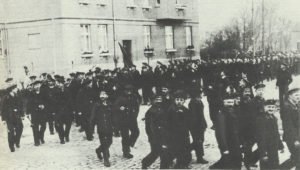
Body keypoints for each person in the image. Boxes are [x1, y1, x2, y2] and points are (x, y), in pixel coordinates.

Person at [142, 94, 170, 169]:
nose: (158, 101)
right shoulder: (150, 112)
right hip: (155, 136)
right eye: (156, 99)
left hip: (163, 134)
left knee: (164, 153)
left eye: (160, 99)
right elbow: (149, 127)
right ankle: (145, 163)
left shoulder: (163, 108)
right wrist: (152, 137)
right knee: (155, 152)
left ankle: (163, 168)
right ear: (152, 101)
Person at [113, 84, 141, 158]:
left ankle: (129, 144)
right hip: (123, 120)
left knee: (136, 132)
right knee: (125, 136)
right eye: (127, 91)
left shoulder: (134, 97)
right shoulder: (120, 98)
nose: (129, 92)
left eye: (130, 90)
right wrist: (120, 108)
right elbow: (115, 106)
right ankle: (126, 152)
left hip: (132, 119)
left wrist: (135, 115)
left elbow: (137, 107)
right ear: (124, 91)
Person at [167, 90, 192, 168]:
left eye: (181, 100)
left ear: (184, 101)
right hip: (175, 134)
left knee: (185, 149)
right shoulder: (171, 109)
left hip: (184, 133)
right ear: (174, 100)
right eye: (177, 100)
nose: (179, 102)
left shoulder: (185, 110)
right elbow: (169, 122)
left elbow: (188, 121)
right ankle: (177, 164)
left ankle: (184, 163)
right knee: (177, 149)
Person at [255, 99, 281, 169]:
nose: (271, 109)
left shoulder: (274, 118)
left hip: (274, 148)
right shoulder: (261, 119)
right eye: (269, 107)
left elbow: (276, 133)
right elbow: (261, 137)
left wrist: (280, 145)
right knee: (265, 166)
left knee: (275, 165)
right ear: (264, 107)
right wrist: (263, 152)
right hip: (266, 148)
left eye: (273, 107)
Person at [90, 90, 113, 167]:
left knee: (109, 141)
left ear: (107, 96)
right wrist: (92, 128)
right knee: (104, 143)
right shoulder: (97, 105)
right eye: (101, 95)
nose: (102, 96)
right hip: (101, 127)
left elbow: (114, 116)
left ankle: (98, 150)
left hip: (109, 127)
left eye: (104, 94)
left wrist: (116, 126)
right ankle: (106, 160)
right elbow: (92, 117)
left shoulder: (110, 104)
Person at [281, 88, 300, 169]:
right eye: (296, 95)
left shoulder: (296, 105)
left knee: (295, 159)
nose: (299, 97)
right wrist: (295, 139)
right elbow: (288, 126)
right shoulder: (286, 108)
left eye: (299, 95)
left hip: (297, 136)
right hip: (292, 138)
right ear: (289, 96)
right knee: (298, 159)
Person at [1, 84, 24, 152]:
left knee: (20, 128)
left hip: (17, 116)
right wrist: (3, 119)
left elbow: (21, 105)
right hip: (9, 117)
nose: (17, 89)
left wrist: (22, 114)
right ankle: (11, 147)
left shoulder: (17, 96)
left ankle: (17, 141)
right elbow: (3, 109)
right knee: (11, 132)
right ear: (12, 89)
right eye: (15, 88)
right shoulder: (6, 98)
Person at [188, 91, 208, 164]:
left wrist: (204, 123)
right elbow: (194, 117)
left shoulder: (199, 101)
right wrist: (199, 126)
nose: (201, 95)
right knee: (198, 141)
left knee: (199, 141)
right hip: (196, 126)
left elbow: (201, 114)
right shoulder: (193, 103)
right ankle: (199, 157)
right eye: (199, 94)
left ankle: (184, 151)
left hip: (200, 124)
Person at [27, 80, 48, 146]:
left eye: (38, 85)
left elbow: (48, 101)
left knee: (43, 126)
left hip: (43, 113)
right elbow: (29, 104)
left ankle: (41, 137)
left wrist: (44, 105)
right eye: (36, 85)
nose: (37, 86)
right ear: (33, 86)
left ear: (40, 85)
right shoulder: (31, 94)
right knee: (35, 127)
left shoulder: (44, 92)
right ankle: (36, 141)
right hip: (35, 113)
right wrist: (28, 113)